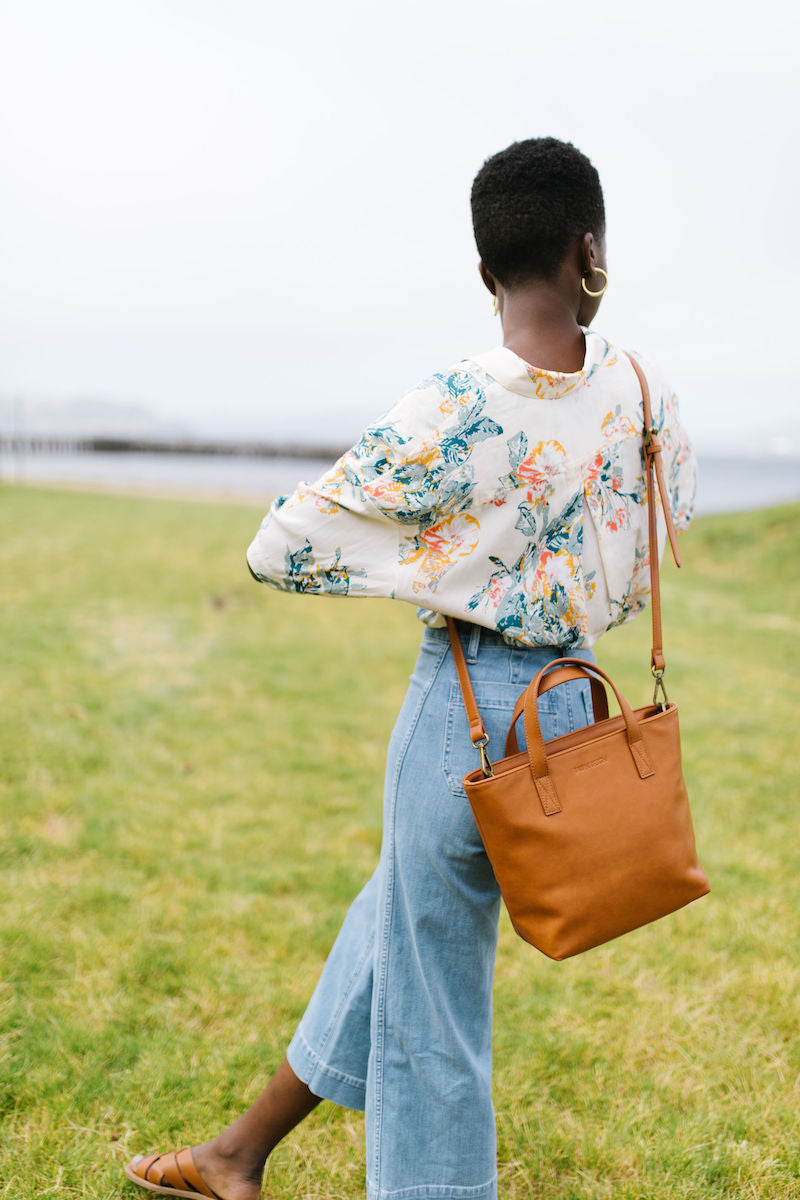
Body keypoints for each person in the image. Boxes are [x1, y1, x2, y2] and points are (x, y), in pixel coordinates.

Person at [124, 137, 696, 1200]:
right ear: (590, 248)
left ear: (485, 274)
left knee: (430, 1003)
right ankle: (235, 1154)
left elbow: (281, 545)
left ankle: (263, 1161)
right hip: (572, 697)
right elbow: (660, 537)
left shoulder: (456, 398)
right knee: (398, 918)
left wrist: (437, 570)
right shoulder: (645, 390)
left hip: (466, 706)